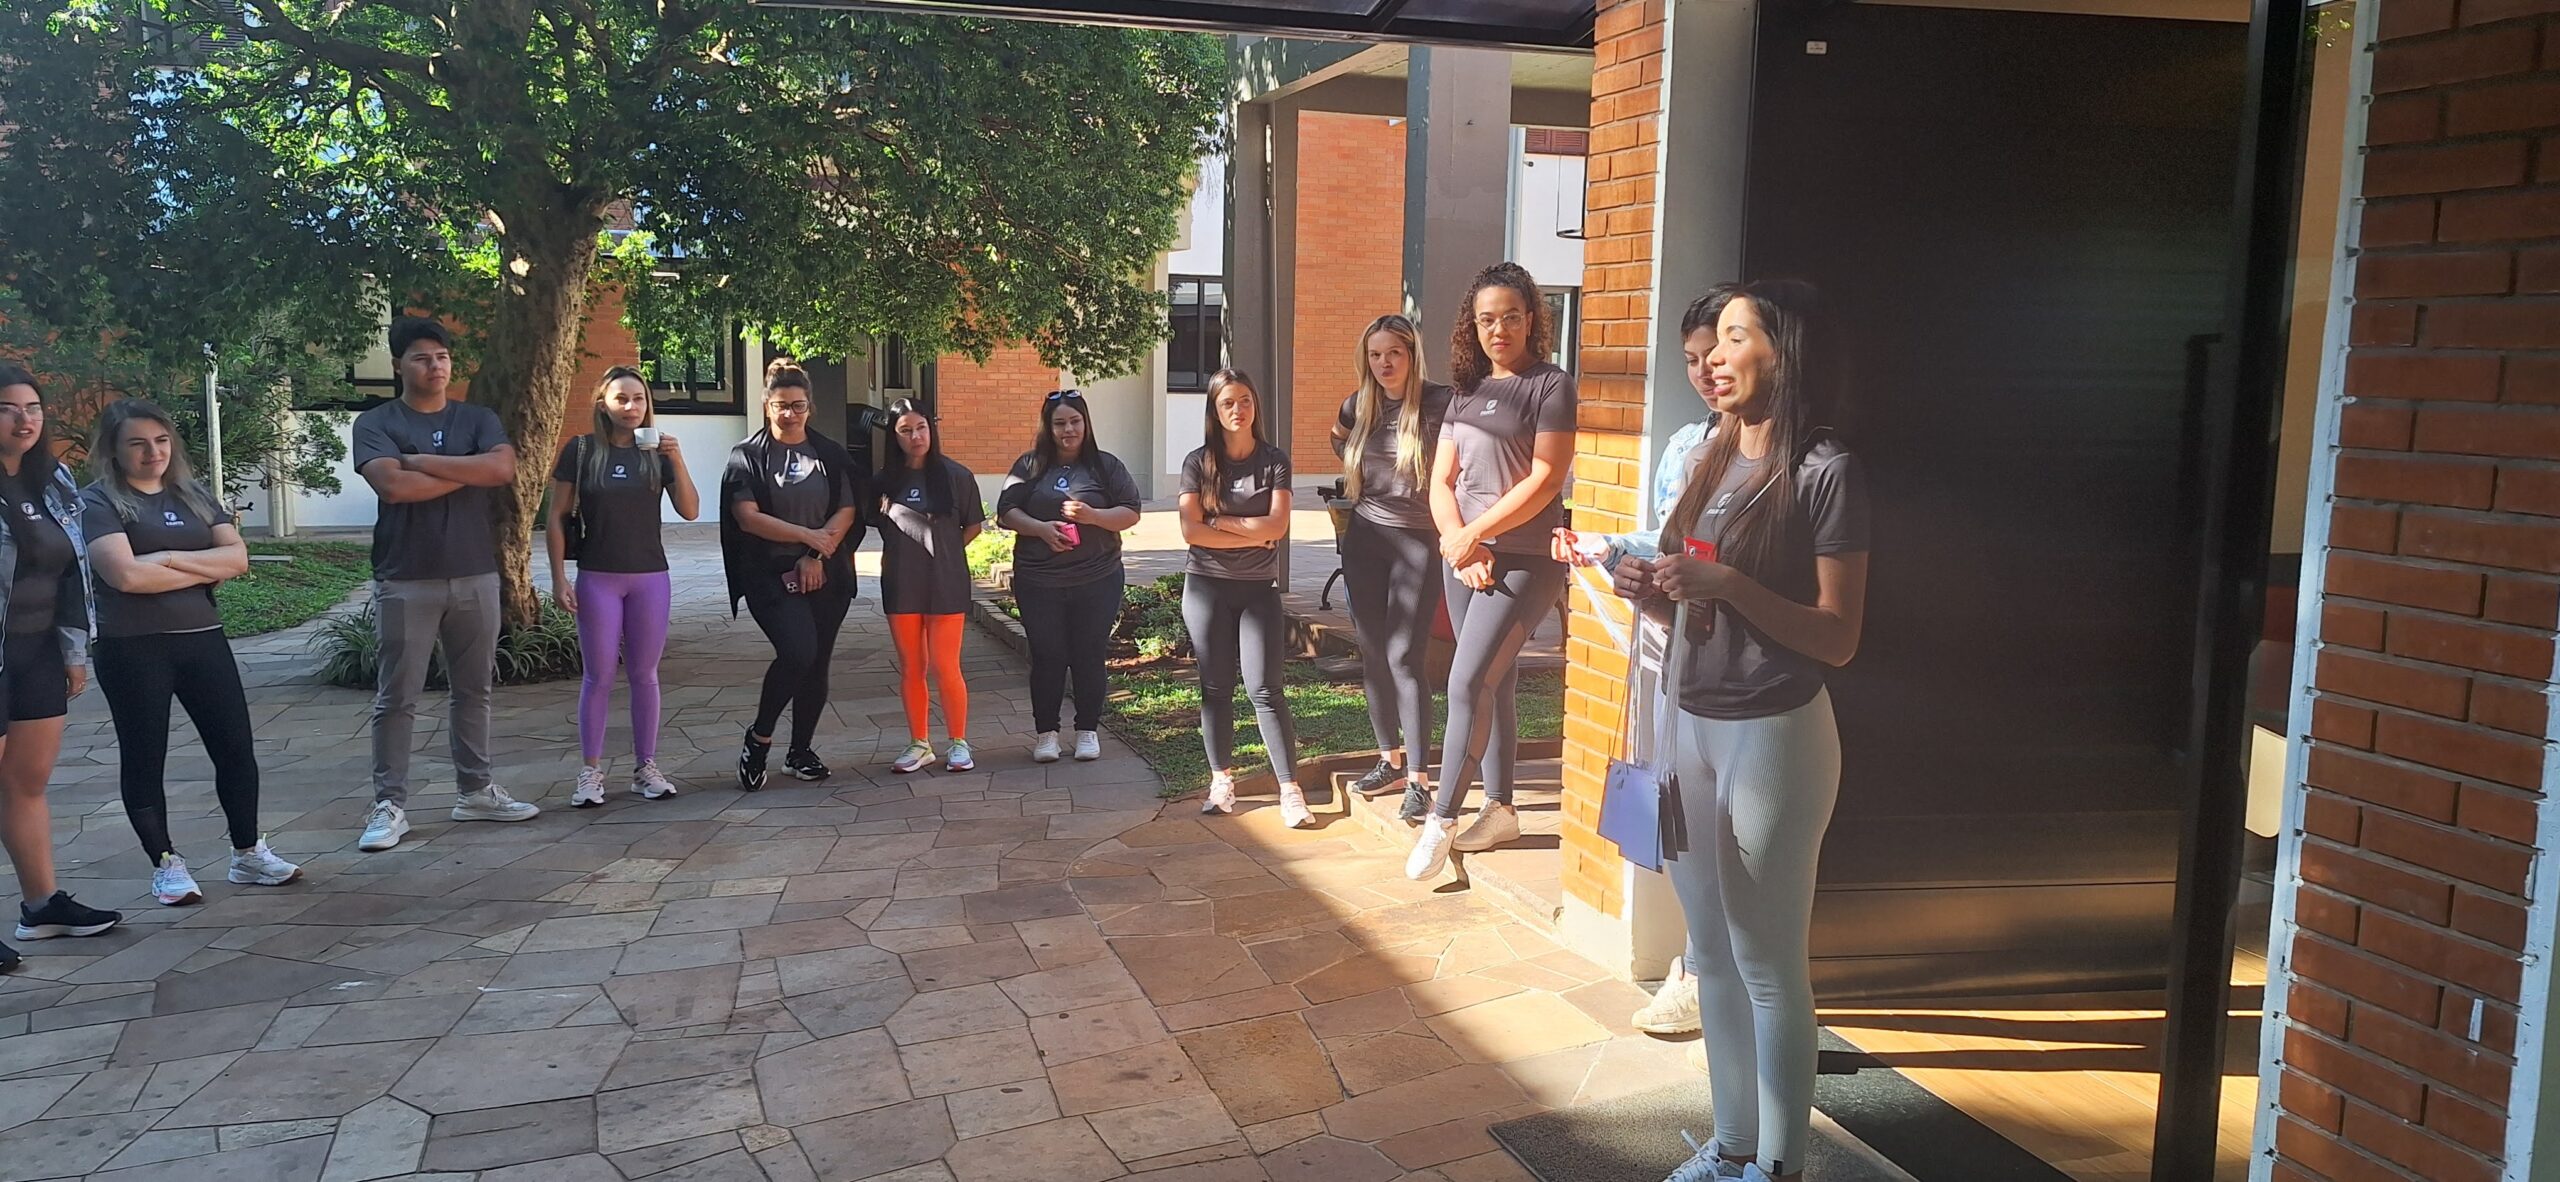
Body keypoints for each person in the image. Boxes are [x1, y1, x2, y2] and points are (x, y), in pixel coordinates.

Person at [1611, 281, 1869, 1182]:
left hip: (1774, 734)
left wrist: (1730, 588)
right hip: (1690, 721)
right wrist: (1653, 590)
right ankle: (1732, 1151)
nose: (1713, 359)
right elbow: (1699, 595)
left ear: (1782, 351)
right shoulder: (1713, 452)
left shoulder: (1826, 469)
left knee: (1767, 967)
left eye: (1732, 338)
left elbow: (1838, 635)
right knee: (1711, 956)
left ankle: (1779, 1169)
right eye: (1710, 343)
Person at [1556, 332, 1717, 1038]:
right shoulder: (1684, 444)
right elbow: (1669, 538)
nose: (1707, 371)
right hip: (1670, 645)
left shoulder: (1792, 461)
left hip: (1741, 670)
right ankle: (1698, 970)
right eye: (1694, 359)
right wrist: (1619, 554)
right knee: (1681, 812)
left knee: (1726, 830)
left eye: (1723, 353)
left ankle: (1710, 977)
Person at [81, 399, 299, 906]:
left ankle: (248, 852)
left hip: (203, 638)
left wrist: (165, 558)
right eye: (137, 443)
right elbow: (125, 576)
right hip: (132, 647)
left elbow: (237, 559)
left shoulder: (194, 494)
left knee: (235, 748)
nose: (152, 452)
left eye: (161, 441)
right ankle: (166, 863)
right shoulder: (97, 502)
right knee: (145, 756)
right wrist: (200, 565)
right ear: (114, 450)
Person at [1406, 262, 1576, 881]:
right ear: (1471, 327)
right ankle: (1501, 809)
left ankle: (1442, 817)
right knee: (1494, 682)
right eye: (1486, 320)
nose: (1497, 329)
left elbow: (1546, 478)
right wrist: (1460, 543)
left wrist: (1476, 535)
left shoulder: (1551, 386)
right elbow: (1441, 480)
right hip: (1466, 554)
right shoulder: (1466, 392)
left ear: (1530, 319)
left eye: (1509, 317)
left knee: (1467, 680)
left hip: (1525, 558)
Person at [353, 317, 535, 853]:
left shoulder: (477, 417)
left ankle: (475, 791)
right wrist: (466, 469)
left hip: (476, 572)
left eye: (442, 357)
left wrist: (422, 461)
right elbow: (394, 487)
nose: (435, 366)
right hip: (405, 577)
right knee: (398, 696)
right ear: (398, 365)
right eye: (421, 357)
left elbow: (502, 470)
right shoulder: (376, 422)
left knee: (474, 690)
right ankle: (389, 805)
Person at [0, 367, 118, 962]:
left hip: (38, 652)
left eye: (34, 407)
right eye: (8, 408)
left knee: (27, 783)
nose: (25, 419)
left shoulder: (54, 477)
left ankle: (42, 906)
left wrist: (74, 652)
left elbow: (74, 573)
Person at [547, 366, 701, 807]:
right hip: (598, 576)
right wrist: (559, 577)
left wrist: (677, 458)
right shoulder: (580, 450)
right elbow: (556, 517)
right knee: (597, 676)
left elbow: (690, 511)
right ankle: (590, 771)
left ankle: (645, 767)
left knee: (644, 675)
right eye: (621, 399)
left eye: (639, 398)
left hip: (650, 576)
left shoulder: (656, 452)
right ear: (603, 404)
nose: (631, 407)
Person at [1329, 315, 1451, 818]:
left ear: (1412, 355)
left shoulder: (1441, 402)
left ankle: (1419, 781)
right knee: (1373, 653)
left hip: (1418, 541)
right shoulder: (1358, 404)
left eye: (1393, 353)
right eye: (1375, 355)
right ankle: (1389, 760)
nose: (1384, 363)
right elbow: (1338, 437)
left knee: (1404, 657)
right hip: (1364, 538)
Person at [721, 357, 862, 791]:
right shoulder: (747, 456)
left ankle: (800, 751)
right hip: (769, 573)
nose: (790, 414)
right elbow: (747, 517)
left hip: (827, 572)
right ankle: (759, 738)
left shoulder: (829, 453)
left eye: (798, 405)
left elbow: (847, 509)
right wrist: (806, 537)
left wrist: (816, 553)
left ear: (809, 407)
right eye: (781, 405)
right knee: (798, 650)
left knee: (817, 662)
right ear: (767, 405)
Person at [1180, 370, 1308, 827]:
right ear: (1215, 411)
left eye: (1246, 400)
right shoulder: (1198, 463)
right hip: (1206, 588)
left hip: (1258, 590)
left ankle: (1290, 790)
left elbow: (1278, 526)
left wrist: (1221, 523)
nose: (1239, 410)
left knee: (1266, 689)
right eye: (1228, 403)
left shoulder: (1274, 460)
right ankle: (1221, 781)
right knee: (1215, 688)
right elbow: (1190, 531)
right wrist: (1251, 534)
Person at [995, 391, 1142, 764]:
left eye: (1075, 421)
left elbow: (1130, 511)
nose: (1068, 430)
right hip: (1039, 580)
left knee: (1089, 653)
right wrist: (1041, 529)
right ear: (1048, 427)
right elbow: (1006, 511)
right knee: (1047, 655)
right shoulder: (1029, 465)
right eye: (1059, 423)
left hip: (1097, 577)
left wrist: (1093, 516)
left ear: (1086, 423)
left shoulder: (1105, 466)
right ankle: (1046, 734)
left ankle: (1087, 731)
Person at [873, 397, 983, 775]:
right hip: (900, 584)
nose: (916, 436)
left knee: (945, 665)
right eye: (906, 430)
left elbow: (972, 527)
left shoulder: (957, 476)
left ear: (931, 428)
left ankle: (958, 742)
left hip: (946, 585)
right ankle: (919, 743)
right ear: (894, 436)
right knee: (911, 667)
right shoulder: (882, 481)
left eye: (921, 427)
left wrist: (943, 553)